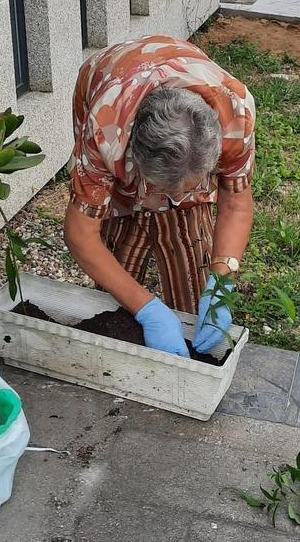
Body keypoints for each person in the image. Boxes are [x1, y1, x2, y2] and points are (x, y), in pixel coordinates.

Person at [63, 36, 256, 358]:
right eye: (163, 187)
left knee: (187, 231)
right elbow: (80, 233)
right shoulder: (106, 131)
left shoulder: (236, 116)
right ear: (133, 153)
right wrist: (146, 308)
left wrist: (220, 287)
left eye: (191, 186)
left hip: (180, 92)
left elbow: (235, 204)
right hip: (106, 78)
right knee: (117, 245)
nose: (175, 198)